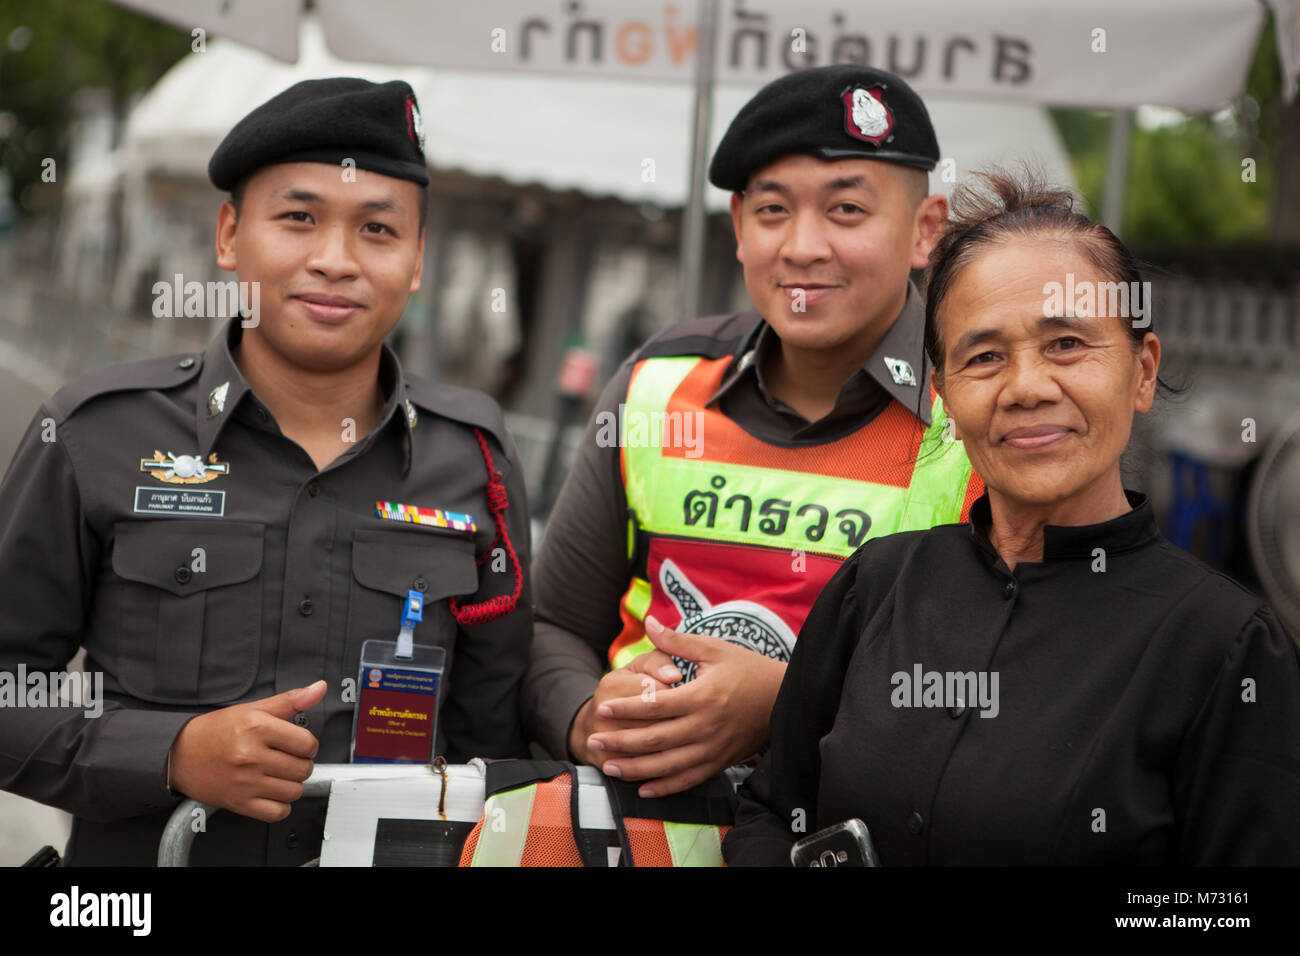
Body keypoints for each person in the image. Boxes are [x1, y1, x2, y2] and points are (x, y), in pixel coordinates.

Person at [0, 78, 533, 865]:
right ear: (228, 235)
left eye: (378, 231)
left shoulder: (474, 459)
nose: (335, 261)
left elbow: (500, 736)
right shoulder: (96, 432)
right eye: (299, 219)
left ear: (418, 261)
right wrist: (169, 752)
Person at [723, 170, 1300, 866]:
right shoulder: (877, 585)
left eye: (1066, 345)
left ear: (1142, 371)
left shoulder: (1225, 647)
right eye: (986, 356)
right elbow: (769, 811)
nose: (1026, 388)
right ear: (944, 393)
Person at [521, 65, 984, 811]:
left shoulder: (984, 411)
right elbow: (553, 626)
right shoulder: (656, 386)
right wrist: (587, 717)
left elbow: (1014, 690)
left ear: (925, 229)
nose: (802, 247)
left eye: (846, 211)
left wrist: (785, 704)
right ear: (738, 227)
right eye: (772, 211)